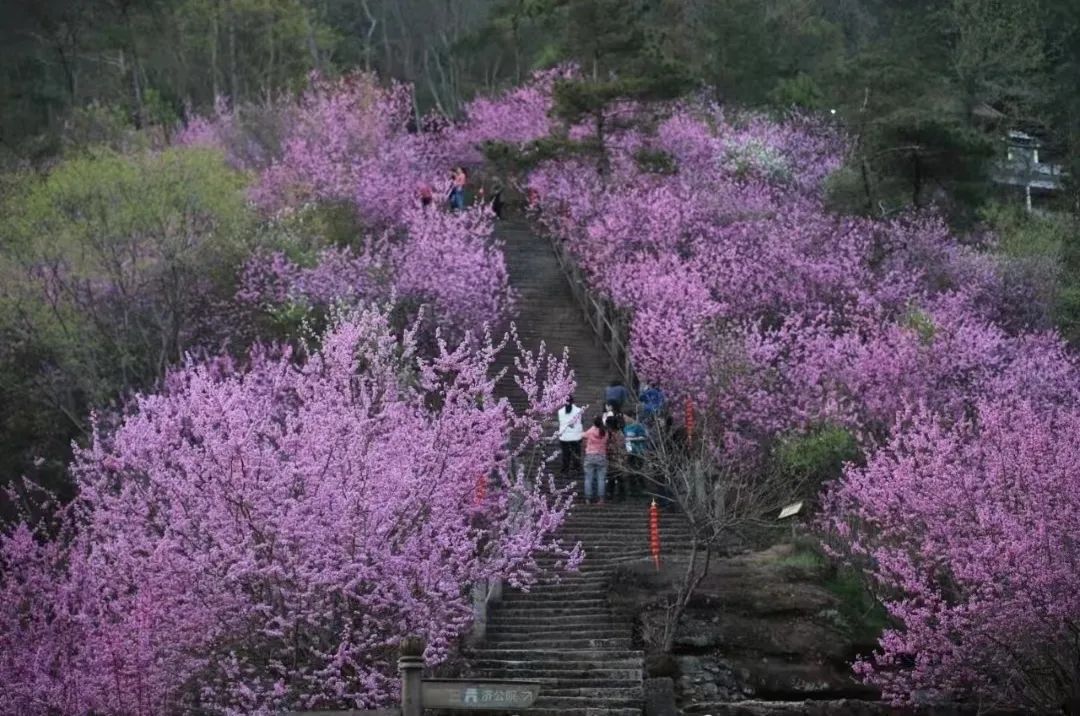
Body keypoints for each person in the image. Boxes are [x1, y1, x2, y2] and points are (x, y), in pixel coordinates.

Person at [582, 415, 609, 505]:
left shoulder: (591, 431)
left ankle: (588, 499)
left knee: (588, 478)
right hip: (601, 456)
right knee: (601, 479)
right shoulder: (604, 432)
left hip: (590, 455)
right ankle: (601, 498)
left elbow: (583, 435)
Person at [556, 395, 584, 478]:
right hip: (576, 437)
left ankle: (565, 470)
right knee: (576, 453)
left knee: (565, 454)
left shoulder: (560, 411)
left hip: (564, 437)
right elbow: (581, 422)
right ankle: (577, 468)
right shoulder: (579, 410)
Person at [622, 408, 648, 496]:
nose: (624, 419)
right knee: (630, 471)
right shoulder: (625, 427)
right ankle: (633, 490)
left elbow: (643, 437)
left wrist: (633, 439)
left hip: (638, 451)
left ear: (630, 417)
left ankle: (643, 489)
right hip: (630, 452)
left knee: (639, 471)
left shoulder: (638, 426)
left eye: (625, 417)